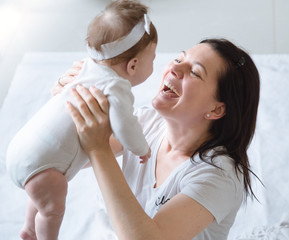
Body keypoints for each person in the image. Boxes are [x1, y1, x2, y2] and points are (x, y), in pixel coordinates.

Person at [63, 38, 261, 239]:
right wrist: (65, 101)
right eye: (178, 59)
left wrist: (99, 149)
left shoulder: (219, 176)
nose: (175, 68)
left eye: (195, 72)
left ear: (216, 109)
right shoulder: (146, 121)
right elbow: (71, 157)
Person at [6, 1, 157, 239]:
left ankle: (28, 229)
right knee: (52, 210)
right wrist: (142, 148)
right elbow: (125, 127)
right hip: (44, 167)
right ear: (133, 65)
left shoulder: (86, 66)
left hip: (22, 149)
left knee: (38, 193)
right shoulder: (116, 87)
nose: (154, 62)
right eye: (153, 57)